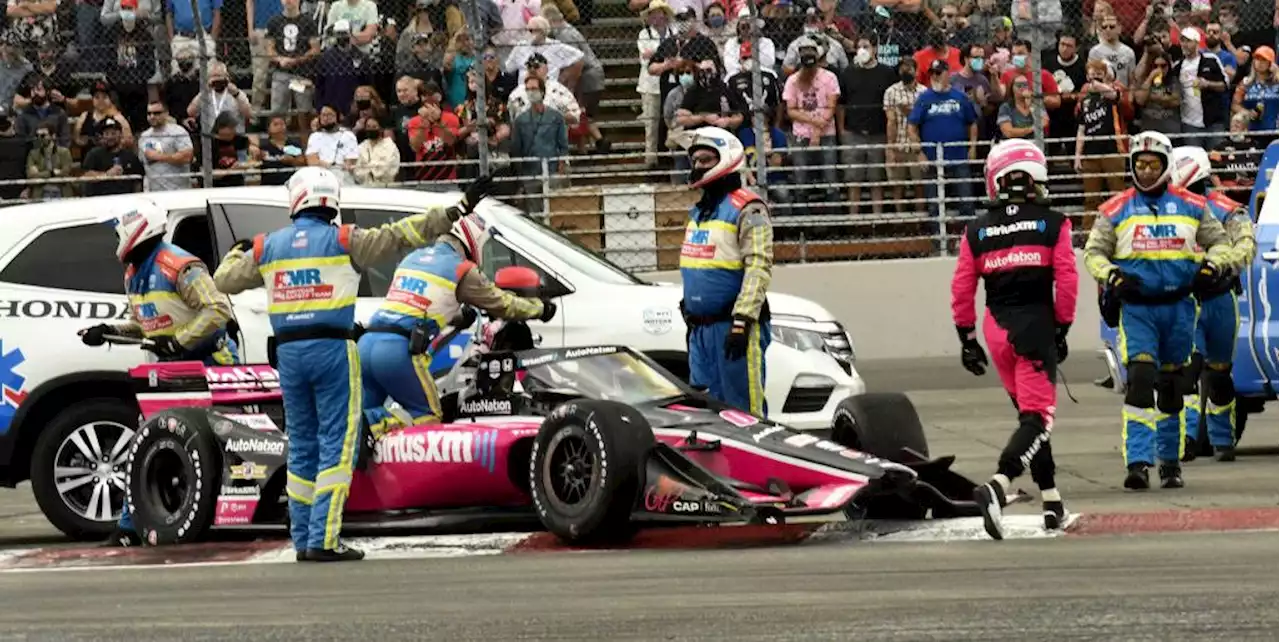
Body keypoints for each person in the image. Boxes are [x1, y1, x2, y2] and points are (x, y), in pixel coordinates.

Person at [212, 167, 490, 562]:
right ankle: (325, 541)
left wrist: (238, 251)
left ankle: (304, 540)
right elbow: (403, 233)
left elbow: (223, 280)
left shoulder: (266, 246)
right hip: (333, 351)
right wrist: (457, 209)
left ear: (296, 200)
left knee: (302, 444)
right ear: (332, 201)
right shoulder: (346, 240)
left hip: (289, 356)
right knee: (337, 444)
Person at [78, 197, 239, 547]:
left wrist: (179, 341)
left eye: (115, 230)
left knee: (225, 442)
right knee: (147, 439)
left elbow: (217, 311)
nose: (113, 239)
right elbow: (143, 324)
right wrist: (107, 330)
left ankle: (227, 515)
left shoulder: (179, 265)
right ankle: (129, 528)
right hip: (169, 370)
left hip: (212, 362)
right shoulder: (133, 273)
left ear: (134, 228)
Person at [1083, 131, 1236, 491]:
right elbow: (1093, 254)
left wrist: (1211, 268)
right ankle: (1138, 462)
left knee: (1173, 385)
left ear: (1166, 166)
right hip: (1138, 310)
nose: (1147, 171)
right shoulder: (1114, 209)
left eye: (1154, 165)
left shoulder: (1193, 206)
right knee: (1139, 377)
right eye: (1141, 164)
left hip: (1181, 307)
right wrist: (1113, 276)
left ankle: (1169, 462)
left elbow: (1221, 244)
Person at [951, 139, 1077, 540]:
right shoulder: (1054, 222)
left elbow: (962, 288)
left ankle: (1052, 500)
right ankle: (997, 485)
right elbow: (1068, 282)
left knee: (1030, 420)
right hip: (1035, 326)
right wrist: (1061, 328)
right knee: (1038, 420)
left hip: (995, 329)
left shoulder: (976, 229)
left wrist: (966, 337)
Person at [359, 194, 555, 437]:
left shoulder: (414, 258)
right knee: (428, 418)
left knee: (359, 422)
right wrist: (540, 309)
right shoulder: (462, 269)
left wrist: (457, 317)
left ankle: (360, 435)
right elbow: (502, 304)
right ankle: (374, 424)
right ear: (473, 241)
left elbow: (418, 303)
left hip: (367, 345)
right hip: (398, 352)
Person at [1168, 145, 1257, 462]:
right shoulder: (1167, 207)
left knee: (1219, 373)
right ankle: (1188, 439)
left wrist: (1220, 267)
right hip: (1186, 300)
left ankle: (1223, 441)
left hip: (1220, 298)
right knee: (1188, 371)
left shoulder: (1227, 209)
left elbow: (1246, 245)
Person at [677, 126, 773, 416]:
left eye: (705, 159)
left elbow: (758, 266)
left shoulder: (749, 208)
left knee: (744, 415)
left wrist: (742, 321)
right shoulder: (698, 212)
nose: (697, 166)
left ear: (726, 157)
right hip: (699, 329)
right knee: (705, 414)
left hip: (734, 327)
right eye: (694, 161)